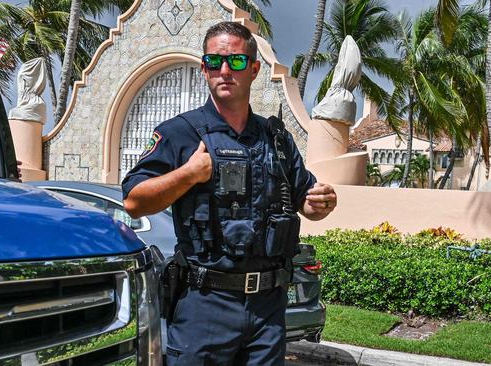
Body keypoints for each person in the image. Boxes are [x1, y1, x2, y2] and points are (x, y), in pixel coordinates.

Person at [122, 21, 336, 366]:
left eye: (236, 62)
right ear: (204, 68)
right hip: (205, 304)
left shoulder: (277, 140)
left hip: (267, 309)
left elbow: (306, 201)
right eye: (214, 61)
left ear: (253, 69)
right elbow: (134, 202)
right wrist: (188, 174)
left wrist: (321, 202)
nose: (224, 70)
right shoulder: (181, 133)